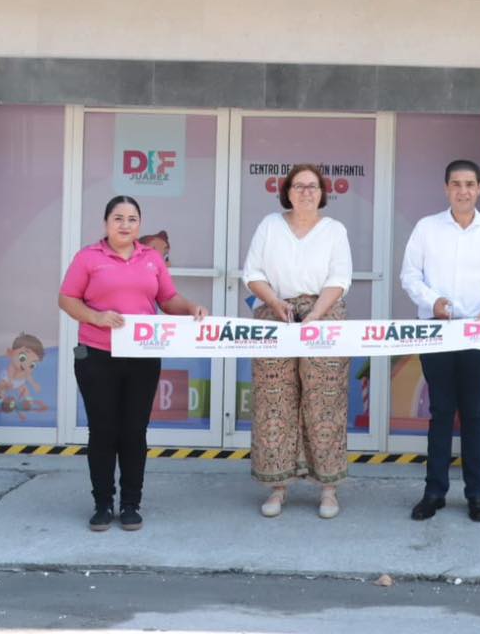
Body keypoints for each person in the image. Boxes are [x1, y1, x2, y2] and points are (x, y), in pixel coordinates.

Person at [58, 195, 208, 532]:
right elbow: (66, 299)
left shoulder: (151, 258)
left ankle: (130, 504)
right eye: (118, 218)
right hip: (97, 355)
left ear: (139, 224)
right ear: (106, 223)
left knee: (134, 431)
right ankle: (102, 504)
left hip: (142, 357)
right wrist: (96, 316)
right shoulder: (88, 257)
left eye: (132, 219)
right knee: (103, 430)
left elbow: (168, 299)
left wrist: (191, 308)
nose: (125, 225)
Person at [400, 159, 480, 523]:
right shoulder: (426, 228)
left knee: (475, 415)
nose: (463, 191)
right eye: (456, 184)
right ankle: (434, 492)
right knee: (441, 413)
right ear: (446, 188)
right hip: (437, 333)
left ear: (479, 188)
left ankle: (476, 494)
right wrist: (432, 302)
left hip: (478, 336)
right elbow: (409, 276)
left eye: (469, 184)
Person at [243, 164, 353, 520]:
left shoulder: (335, 230)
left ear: (323, 193)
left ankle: (328, 489)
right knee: (275, 401)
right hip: (276, 314)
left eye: (313, 186)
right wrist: (276, 303)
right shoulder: (270, 225)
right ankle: (278, 486)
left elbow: (340, 277)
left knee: (325, 401)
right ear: (287, 191)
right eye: (299, 186)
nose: (306, 192)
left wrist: (316, 315)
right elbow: (253, 273)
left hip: (324, 317)